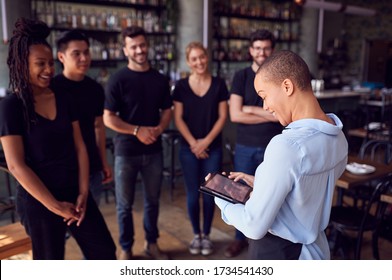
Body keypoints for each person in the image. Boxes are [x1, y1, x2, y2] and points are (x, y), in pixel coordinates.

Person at [213, 50, 348, 260]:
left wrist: (222, 198)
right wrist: (264, 182)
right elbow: (307, 190)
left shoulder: (286, 146)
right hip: (317, 252)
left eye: (264, 96)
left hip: (282, 254)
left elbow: (253, 225)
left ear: (287, 86)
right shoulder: (339, 137)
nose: (266, 107)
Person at [0, 17, 116, 260]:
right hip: (38, 201)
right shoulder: (11, 106)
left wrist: (83, 192)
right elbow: (15, 165)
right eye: (40, 64)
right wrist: (55, 205)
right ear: (22, 65)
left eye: (50, 63)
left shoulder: (63, 96)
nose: (49, 70)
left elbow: (80, 147)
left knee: (104, 252)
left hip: (75, 192)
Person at [103, 25, 172, 260]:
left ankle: (151, 244)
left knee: (152, 201)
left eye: (142, 45)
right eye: (134, 46)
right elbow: (108, 118)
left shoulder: (159, 79)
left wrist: (159, 128)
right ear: (126, 50)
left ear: (147, 46)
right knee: (124, 205)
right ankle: (126, 248)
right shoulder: (117, 79)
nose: (139, 50)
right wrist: (136, 131)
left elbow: (167, 110)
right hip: (126, 151)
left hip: (153, 150)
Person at [225, 29, 283, 258]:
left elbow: (281, 116)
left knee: (270, 192)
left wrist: (250, 108)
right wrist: (267, 113)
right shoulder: (241, 77)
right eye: (257, 48)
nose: (262, 52)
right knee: (241, 192)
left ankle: (267, 239)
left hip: (274, 146)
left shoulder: (279, 79)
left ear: (272, 51)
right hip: (246, 146)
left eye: (266, 48)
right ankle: (240, 239)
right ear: (251, 50)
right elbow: (235, 115)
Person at [172, 42, 228, 255]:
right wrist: (194, 144)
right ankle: (197, 235)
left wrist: (205, 142)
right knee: (192, 194)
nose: (199, 62)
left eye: (201, 57)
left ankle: (207, 236)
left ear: (207, 57)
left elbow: (223, 116)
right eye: (194, 59)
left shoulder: (219, 84)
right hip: (189, 149)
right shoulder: (181, 86)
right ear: (189, 62)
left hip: (212, 148)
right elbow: (178, 118)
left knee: (210, 194)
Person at [51, 30, 112, 206]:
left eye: (86, 52)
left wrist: (103, 162)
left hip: (92, 167)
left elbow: (99, 127)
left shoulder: (95, 89)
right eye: (76, 54)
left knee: (90, 222)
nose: (84, 58)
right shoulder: (52, 88)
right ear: (61, 56)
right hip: (62, 169)